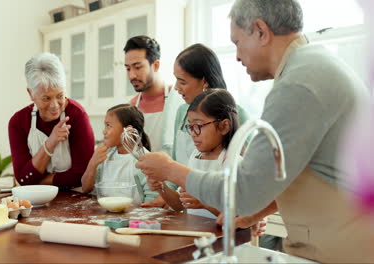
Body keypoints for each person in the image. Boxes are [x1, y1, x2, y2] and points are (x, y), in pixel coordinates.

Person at [136, 0, 373, 262]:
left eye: (237, 42)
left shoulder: (299, 83)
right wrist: (254, 214)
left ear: (260, 31)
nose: (236, 56)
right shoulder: (310, 66)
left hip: (343, 249)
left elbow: (245, 191)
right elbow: (292, 173)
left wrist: (170, 169)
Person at [157, 89, 274, 237]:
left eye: (199, 126)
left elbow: (238, 218)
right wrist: (161, 186)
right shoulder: (195, 157)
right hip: (196, 236)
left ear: (224, 126)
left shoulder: (234, 163)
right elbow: (179, 205)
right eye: (190, 126)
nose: (193, 133)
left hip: (224, 240)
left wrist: (203, 202)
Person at [8, 53, 95, 188]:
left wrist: (40, 182)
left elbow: (82, 174)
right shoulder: (18, 122)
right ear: (31, 94)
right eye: (46, 98)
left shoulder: (77, 116)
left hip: (74, 199)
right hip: (35, 202)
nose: (55, 105)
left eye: (60, 95)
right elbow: (23, 178)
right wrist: (50, 143)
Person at [172, 43, 250, 165]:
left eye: (182, 82)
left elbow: (248, 165)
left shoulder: (236, 114)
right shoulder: (182, 112)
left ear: (205, 81)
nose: (176, 87)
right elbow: (174, 165)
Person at [80, 104, 158, 203]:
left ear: (128, 130)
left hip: (135, 217)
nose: (104, 131)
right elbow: (86, 188)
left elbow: (153, 202)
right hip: (106, 215)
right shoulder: (105, 156)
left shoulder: (145, 161)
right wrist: (92, 163)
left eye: (108, 125)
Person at [124, 35, 182, 155]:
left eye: (138, 67)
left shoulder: (178, 97)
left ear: (156, 65)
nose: (131, 76)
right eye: (128, 69)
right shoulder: (131, 106)